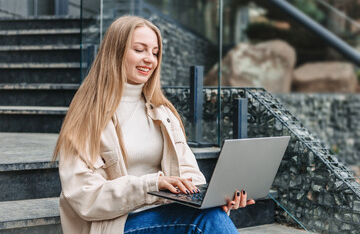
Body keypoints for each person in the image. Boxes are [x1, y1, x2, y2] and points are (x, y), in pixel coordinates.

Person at [53, 15, 255, 234]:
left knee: (210, 215)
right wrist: (151, 185)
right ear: (116, 52)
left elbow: (191, 175)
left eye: (155, 52)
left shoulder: (163, 112)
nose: (150, 59)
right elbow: (84, 197)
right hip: (115, 225)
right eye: (139, 50)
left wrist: (216, 198)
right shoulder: (88, 116)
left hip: (164, 214)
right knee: (203, 222)